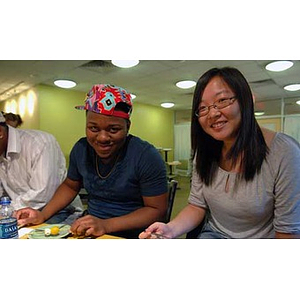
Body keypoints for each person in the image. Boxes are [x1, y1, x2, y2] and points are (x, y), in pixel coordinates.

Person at [140, 67, 300, 239]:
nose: (213, 113)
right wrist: (170, 230)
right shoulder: (204, 151)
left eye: (222, 100)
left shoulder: (284, 152)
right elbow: (197, 205)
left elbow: (288, 232)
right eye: (203, 108)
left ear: (245, 100)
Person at [16, 84, 168, 238]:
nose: (102, 138)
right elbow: (70, 186)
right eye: (93, 128)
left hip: (133, 233)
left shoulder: (146, 155)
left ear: (127, 127)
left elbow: (157, 211)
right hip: (89, 228)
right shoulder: (81, 149)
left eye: (113, 129)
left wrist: (106, 225)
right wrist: (42, 215)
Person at [0, 111, 83, 224]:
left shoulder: (39, 143)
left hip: (58, 211)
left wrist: (6, 210)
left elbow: (43, 194)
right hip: (19, 212)